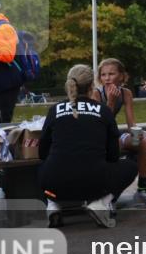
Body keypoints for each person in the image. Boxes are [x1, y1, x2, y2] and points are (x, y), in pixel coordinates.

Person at [38, 64, 138, 228]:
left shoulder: (54, 110)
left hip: (54, 184)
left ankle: (53, 205)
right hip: (95, 185)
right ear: (92, 85)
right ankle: (101, 202)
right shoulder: (103, 110)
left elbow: (42, 151)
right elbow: (113, 155)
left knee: (44, 166)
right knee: (131, 166)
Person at [91, 58, 146, 208]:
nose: (107, 78)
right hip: (98, 138)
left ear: (122, 76)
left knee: (145, 143)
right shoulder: (96, 94)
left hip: (113, 135)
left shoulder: (126, 93)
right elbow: (99, 126)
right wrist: (110, 102)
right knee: (114, 145)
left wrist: (137, 134)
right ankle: (107, 194)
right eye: (103, 75)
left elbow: (131, 124)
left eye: (111, 74)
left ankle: (142, 189)